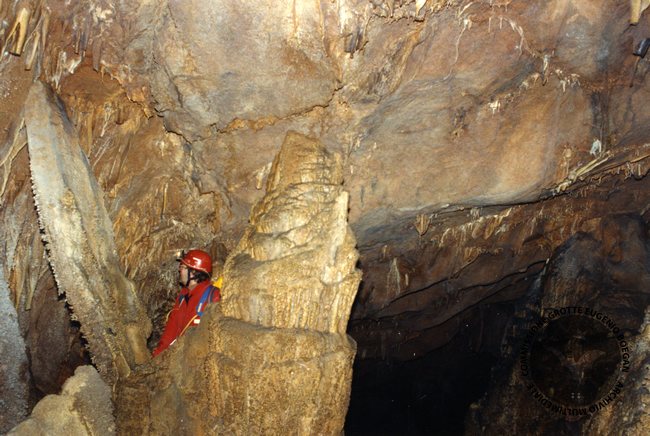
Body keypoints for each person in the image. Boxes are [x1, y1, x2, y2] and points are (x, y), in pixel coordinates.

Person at [152, 249, 221, 357]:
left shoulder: (213, 296)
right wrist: (157, 355)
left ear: (193, 272)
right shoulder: (182, 297)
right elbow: (171, 331)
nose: (179, 270)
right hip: (180, 358)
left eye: (182, 267)